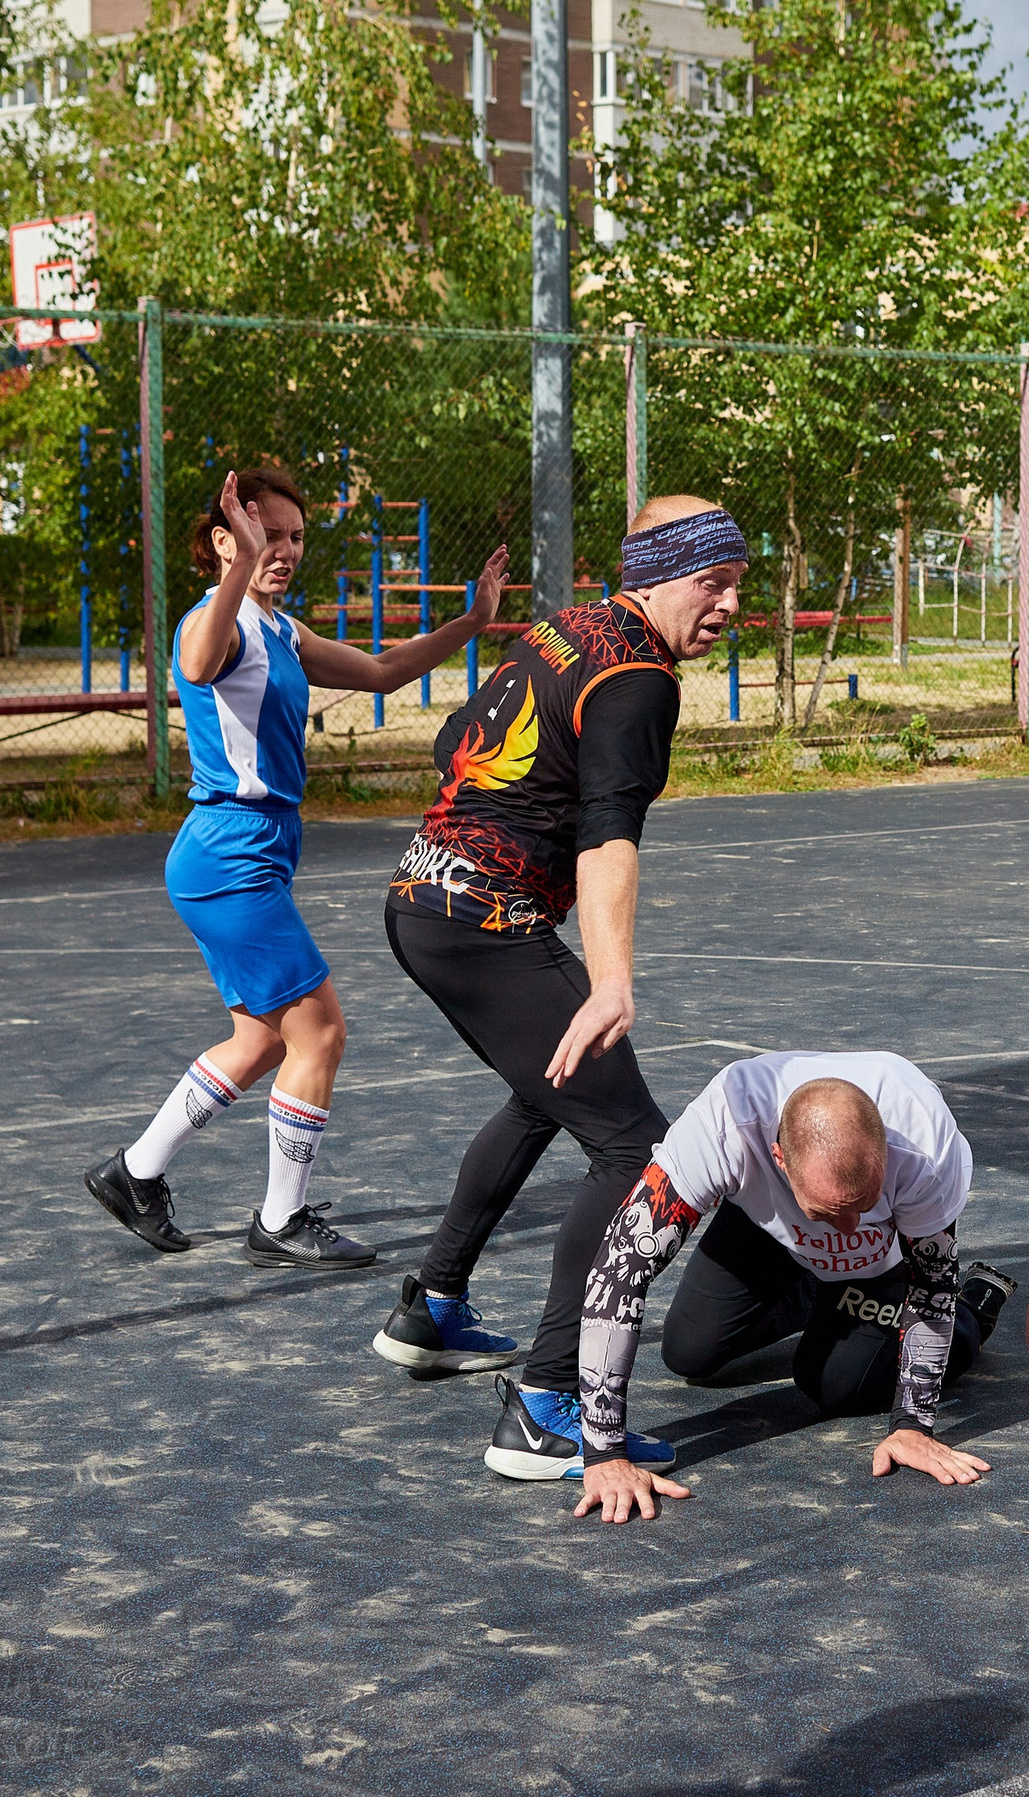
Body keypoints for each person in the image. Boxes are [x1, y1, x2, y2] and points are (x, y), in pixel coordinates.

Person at [373, 497, 748, 1478]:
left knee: (547, 1095)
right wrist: (611, 977)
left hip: (422, 896)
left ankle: (435, 1307)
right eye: (713, 582)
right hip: (483, 924)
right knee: (637, 1149)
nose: (729, 604)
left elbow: (455, 733)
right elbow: (607, 836)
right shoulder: (636, 677)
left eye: (737, 583)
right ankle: (546, 1400)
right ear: (660, 576)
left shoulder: (565, 629)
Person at [85, 469, 505, 1270]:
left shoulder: (279, 630)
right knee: (322, 1033)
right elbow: (202, 666)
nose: (283, 549)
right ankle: (282, 1217)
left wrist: (471, 622)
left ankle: (134, 1172)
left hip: (255, 852)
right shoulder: (215, 624)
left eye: (294, 536)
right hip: (229, 854)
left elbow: (382, 672)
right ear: (223, 542)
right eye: (265, 533)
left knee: (262, 1040)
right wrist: (239, 565)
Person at [561, 1052, 1018, 1524]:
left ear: (885, 1150)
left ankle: (974, 1311)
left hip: (884, 1264)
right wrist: (604, 1454)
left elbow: (932, 1286)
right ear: (778, 1158)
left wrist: (913, 1426)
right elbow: (616, 1272)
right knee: (687, 1353)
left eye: (865, 1202)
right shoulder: (722, 1126)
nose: (849, 1226)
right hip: (769, 1230)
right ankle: (816, 1293)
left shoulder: (923, 1144)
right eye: (830, 1211)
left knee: (835, 1385)